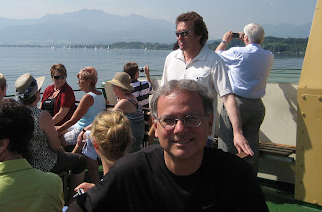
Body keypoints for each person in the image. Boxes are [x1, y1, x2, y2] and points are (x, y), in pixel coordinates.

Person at [68, 80, 268, 212]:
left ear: (209, 124)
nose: (180, 129)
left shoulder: (235, 176)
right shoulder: (131, 172)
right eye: (169, 120)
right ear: (156, 126)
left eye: (191, 118)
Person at [161, 11, 252, 155]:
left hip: (199, 135)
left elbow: (228, 98)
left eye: (184, 33)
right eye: (177, 34)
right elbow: (163, 94)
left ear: (199, 35)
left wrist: (238, 133)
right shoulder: (171, 58)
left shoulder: (214, 61)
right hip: (172, 133)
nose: (179, 38)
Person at [215, 23, 274, 174]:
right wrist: (248, 41)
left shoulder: (237, 53)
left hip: (236, 105)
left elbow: (215, 57)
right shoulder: (269, 56)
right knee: (251, 146)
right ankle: (250, 180)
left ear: (245, 37)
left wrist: (224, 41)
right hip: (257, 106)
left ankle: (227, 181)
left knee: (228, 144)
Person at [15, 73, 86, 194]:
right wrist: (63, 149)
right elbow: (56, 146)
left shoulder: (15, 114)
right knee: (80, 161)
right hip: (44, 162)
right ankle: (73, 197)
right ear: (37, 95)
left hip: (24, 162)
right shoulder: (42, 116)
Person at [73, 110, 132, 193]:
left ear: (95, 144)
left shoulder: (90, 200)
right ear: (129, 142)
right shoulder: (144, 184)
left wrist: (94, 191)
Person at [57, 67, 106, 146]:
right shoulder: (100, 94)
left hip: (82, 130)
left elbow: (72, 121)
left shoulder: (88, 98)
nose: (78, 82)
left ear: (88, 82)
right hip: (80, 127)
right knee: (52, 128)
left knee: (54, 137)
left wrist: (56, 132)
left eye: (80, 80)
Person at [108, 72, 144, 153]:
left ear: (117, 88)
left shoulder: (124, 102)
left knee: (90, 138)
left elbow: (107, 120)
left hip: (129, 145)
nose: (112, 88)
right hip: (136, 141)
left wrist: (85, 130)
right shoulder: (132, 97)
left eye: (112, 85)